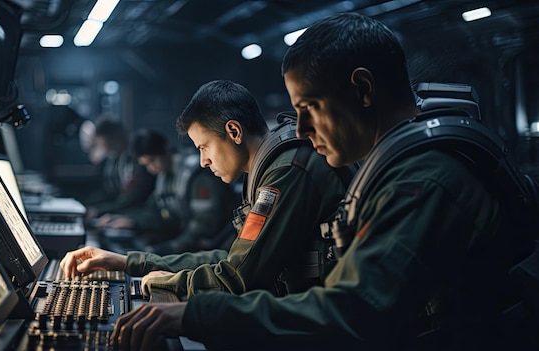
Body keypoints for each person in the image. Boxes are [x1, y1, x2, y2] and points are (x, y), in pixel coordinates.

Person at [95, 12, 539, 351]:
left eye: (310, 107)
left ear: (363, 90)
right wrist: (139, 268)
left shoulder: (424, 181)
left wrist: (195, 313)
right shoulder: (400, 169)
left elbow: (354, 311)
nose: (302, 130)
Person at [61, 80, 353, 302]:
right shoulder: (271, 166)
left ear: (234, 132)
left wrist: (172, 281)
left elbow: (236, 277)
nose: (203, 160)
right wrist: (128, 262)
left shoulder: (285, 173)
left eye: (204, 147)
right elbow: (231, 259)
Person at [95, 128, 239, 255]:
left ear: (165, 149)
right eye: (146, 164)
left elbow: (204, 225)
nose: (151, 168)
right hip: (187, 242)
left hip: (213, 247)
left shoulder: (197, 176)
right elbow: (155, 210)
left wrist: (168, 248)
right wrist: (132, 220)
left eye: (152, 161)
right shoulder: (164, 177)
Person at [81, 115, 156, 221]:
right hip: (124, 209)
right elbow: (109, 192)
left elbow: (134, 196)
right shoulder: (116, 158)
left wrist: (100, 210)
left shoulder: (137, 155)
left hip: (139, 211)